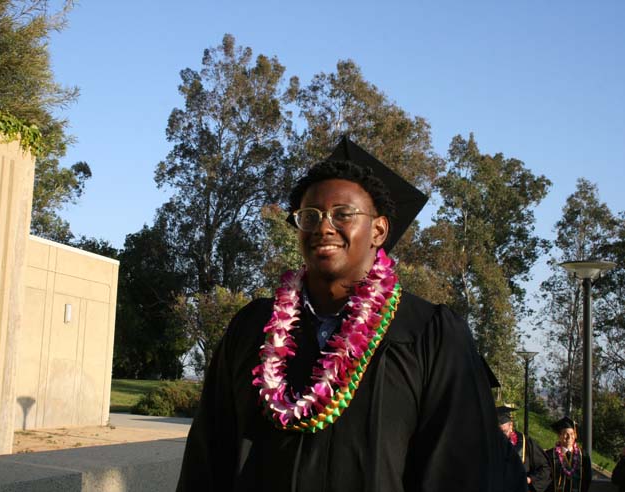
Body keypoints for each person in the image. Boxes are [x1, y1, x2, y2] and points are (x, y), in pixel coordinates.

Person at [177, 136, 527, 491]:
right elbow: (208, 456)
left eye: (343, 214)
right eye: (309, 216)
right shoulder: (254, 327)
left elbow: (458, 470)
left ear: (379, 230)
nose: (324, 227)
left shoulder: (428, 333)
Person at [497, 405, 551, 491]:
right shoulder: (489, 445)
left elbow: (544, 467)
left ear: (511, 425)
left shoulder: (525, 443)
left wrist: (529, 479)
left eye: (504, 432)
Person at [545, 417, 592, 492]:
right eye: (565, 434)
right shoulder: (550, 455)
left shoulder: (583, 455)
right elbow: (545, 477)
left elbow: (588, 478)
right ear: (559, 436)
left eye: (572, 434)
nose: (569, 437)